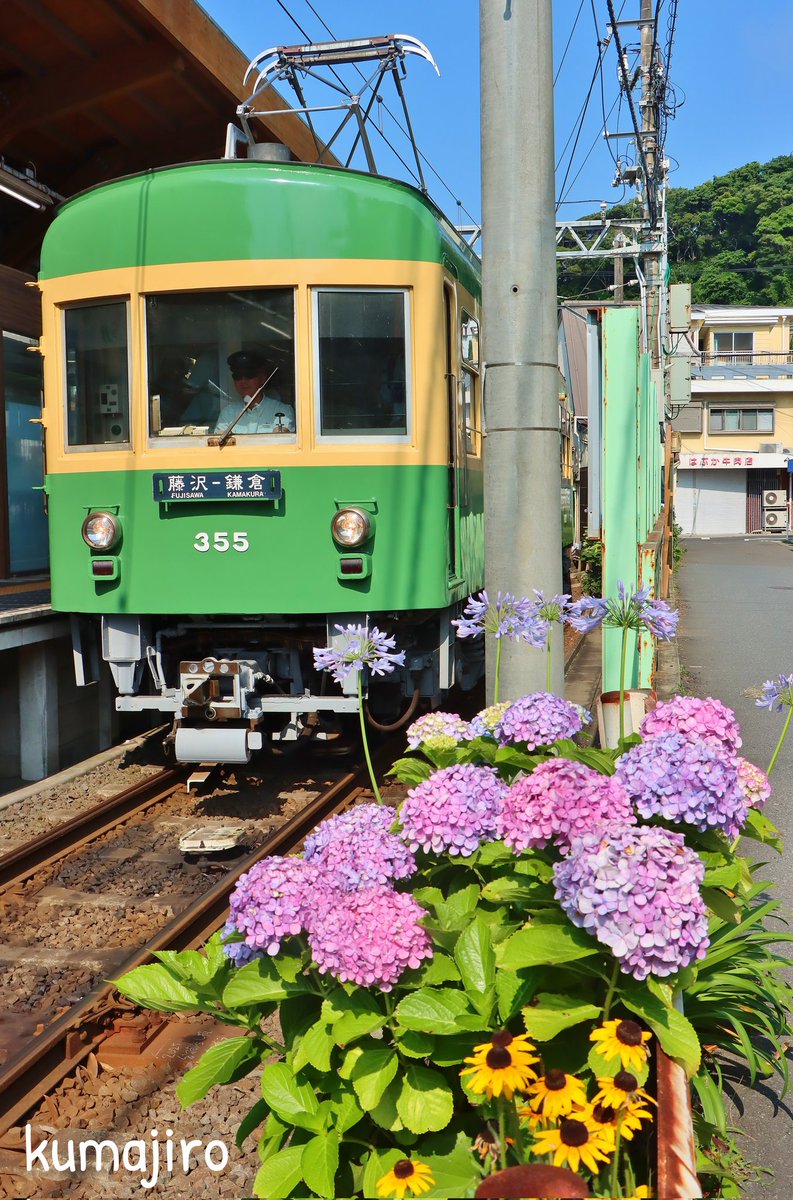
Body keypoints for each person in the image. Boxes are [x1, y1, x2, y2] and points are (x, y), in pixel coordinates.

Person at [215, 350, 295, 434]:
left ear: (263, 378)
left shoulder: (281, 411)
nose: (243, 381)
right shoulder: (227, 414)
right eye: (237, 376)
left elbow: (280, 442)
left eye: (249, 375)